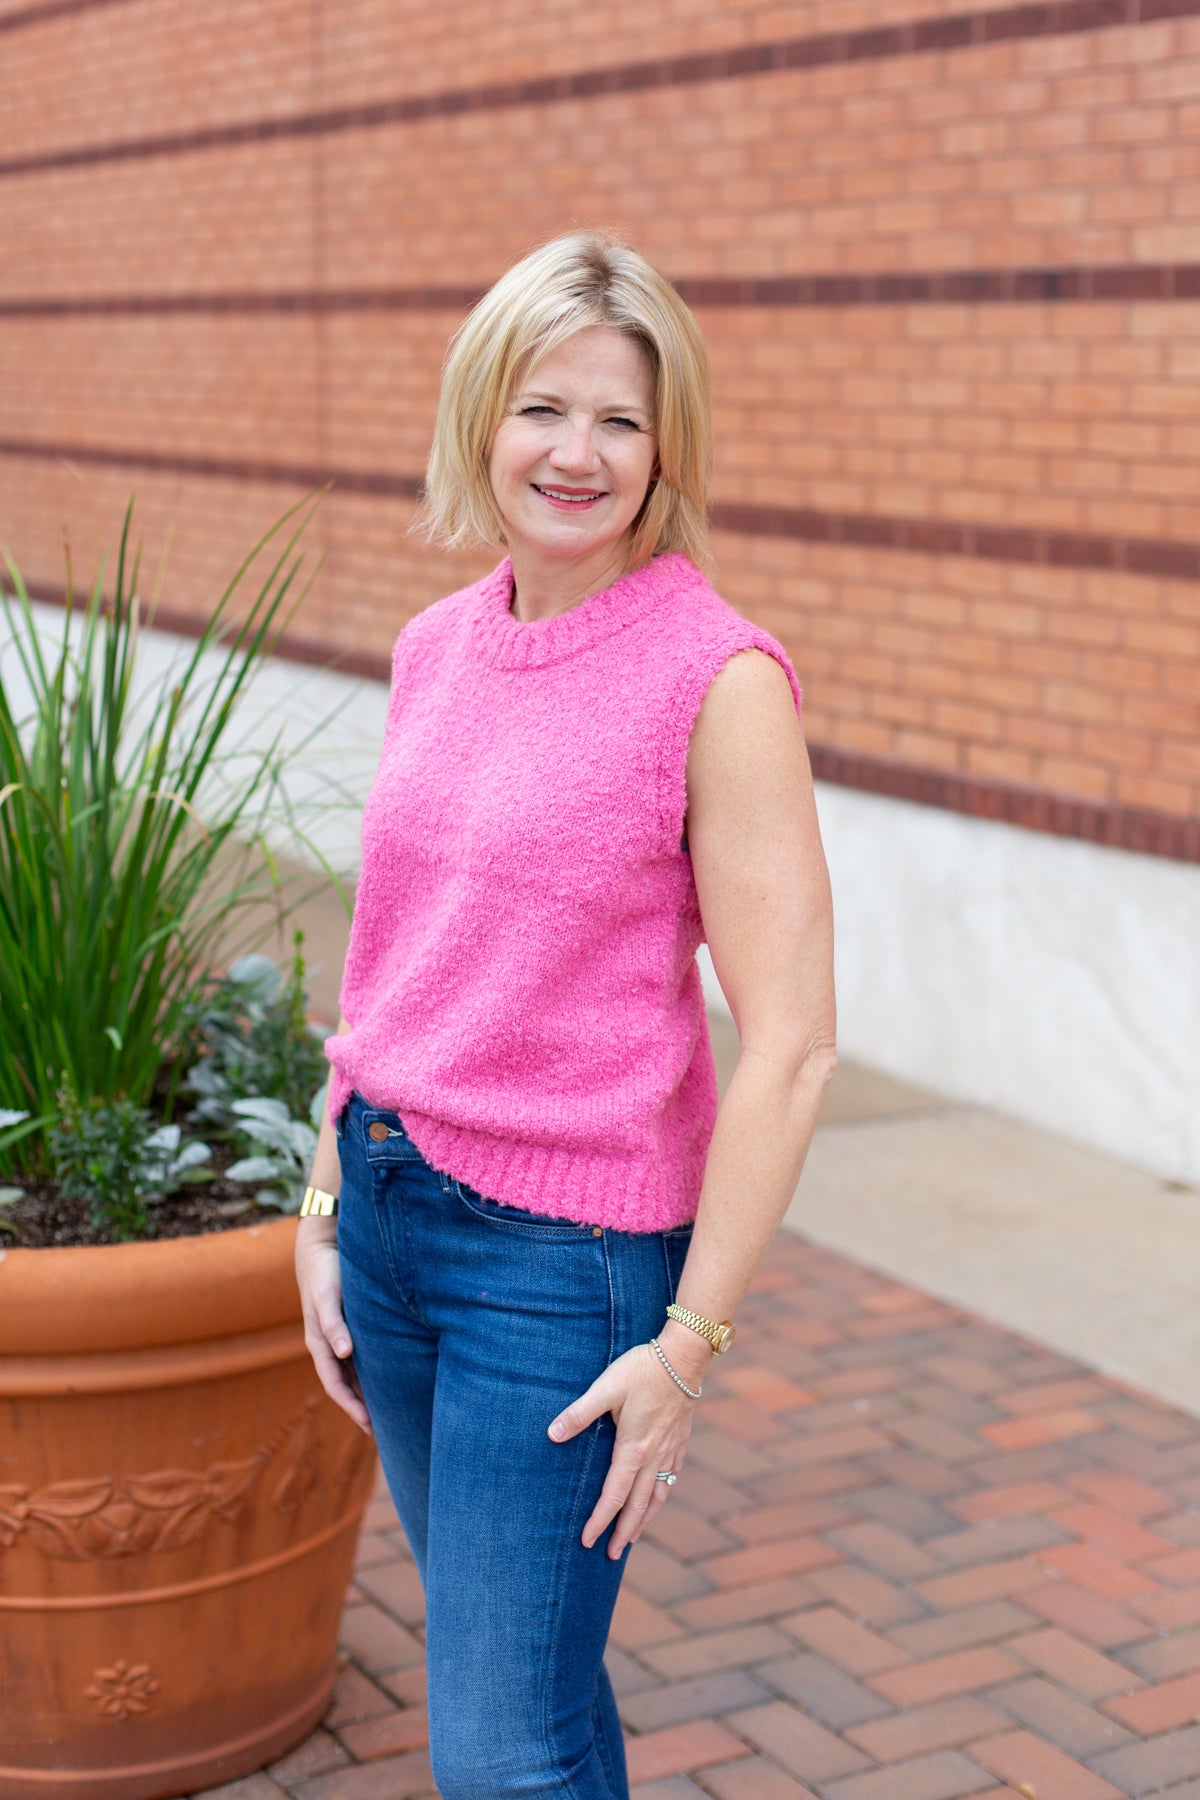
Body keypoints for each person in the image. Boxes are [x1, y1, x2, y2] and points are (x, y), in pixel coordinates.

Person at [295, 231, 836, 1800]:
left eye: (620, 419)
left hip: (562, 1268)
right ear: (483, 418)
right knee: (528, 1689)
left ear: (669, 450)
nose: (577, 453)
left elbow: (790, 1046)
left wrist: (688, 1346)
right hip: (388, 1225)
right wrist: (326, 1194)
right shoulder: (435, 645)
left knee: (498, 1747)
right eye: (544, 408)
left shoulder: (716, 677)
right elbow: (389, 954)